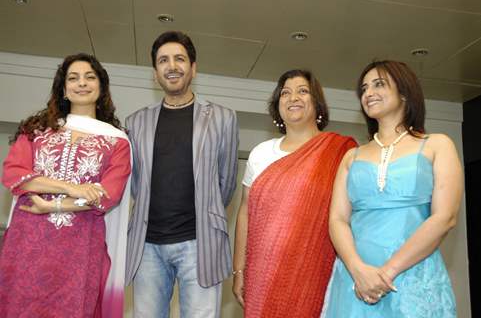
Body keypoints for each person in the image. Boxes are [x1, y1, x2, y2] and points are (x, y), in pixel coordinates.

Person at [321, 60, 463, 317]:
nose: (368, 94)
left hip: (413, 276)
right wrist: (358, 270)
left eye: (379, 84)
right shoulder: (351, 157)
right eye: (364, 89)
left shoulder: (438, 145)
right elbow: (337, 219)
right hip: (356, 279)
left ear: (404, 92)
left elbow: (445, 217)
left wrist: (386, 273)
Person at [0, 53, 132, 317]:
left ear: (102, 87)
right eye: (73, 78)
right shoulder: (37, 130)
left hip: (80, 246)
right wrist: (71, 188)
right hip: (29, 242)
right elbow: (14, 173)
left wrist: (52, 205)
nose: (81, 83)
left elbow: (108, 195)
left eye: (89, 77)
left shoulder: (117, 142)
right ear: (63, 89)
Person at [124, 31, 238, 317]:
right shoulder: (135, 122)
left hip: (200, 243)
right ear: (155, 73)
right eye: (163, 60)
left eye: (179, 59)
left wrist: (205, 209)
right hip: (147, 245)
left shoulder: (223, 118)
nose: (172, 66)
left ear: (193, 68)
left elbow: (226, 183)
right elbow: (137, 184)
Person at [232, 69, 357, 317]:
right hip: (262, 272)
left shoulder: (340, 152)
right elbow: (245, 212)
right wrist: (239, 270)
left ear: (317, 102)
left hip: (316, 271)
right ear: (277, 105)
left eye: (302, 91)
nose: (293, 97)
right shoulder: (261, 153)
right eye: (285, 93)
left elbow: (350, 216)